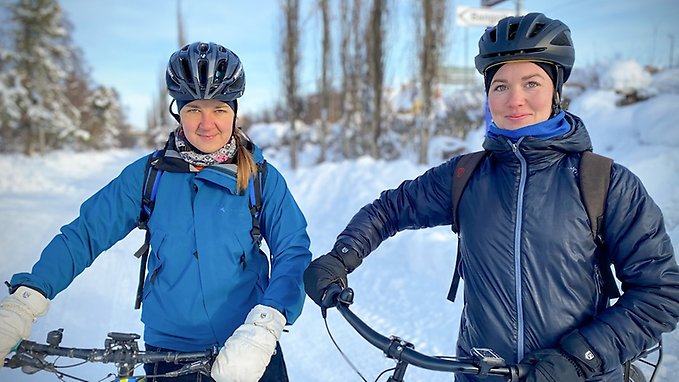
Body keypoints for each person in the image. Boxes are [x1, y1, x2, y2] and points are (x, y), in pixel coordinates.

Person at [303, 12, 679, 382]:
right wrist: (341, 257)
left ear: (556, 91)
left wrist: (580, 358)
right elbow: (390, 209)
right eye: (500, 86)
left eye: (531, 83)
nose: (515, 100)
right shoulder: (466, 176)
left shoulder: (603, 182)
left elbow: (659, 293)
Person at [0, 41, 311, 382]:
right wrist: (28, 298)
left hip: (247, 346)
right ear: (178, 111)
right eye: (194, 109)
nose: (207, 124)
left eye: (219, 109)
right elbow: (86, 234)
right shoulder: (150, 175)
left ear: (234, 111)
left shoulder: (260, 178)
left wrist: (264, 326)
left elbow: (292, 251)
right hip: (169, 353)